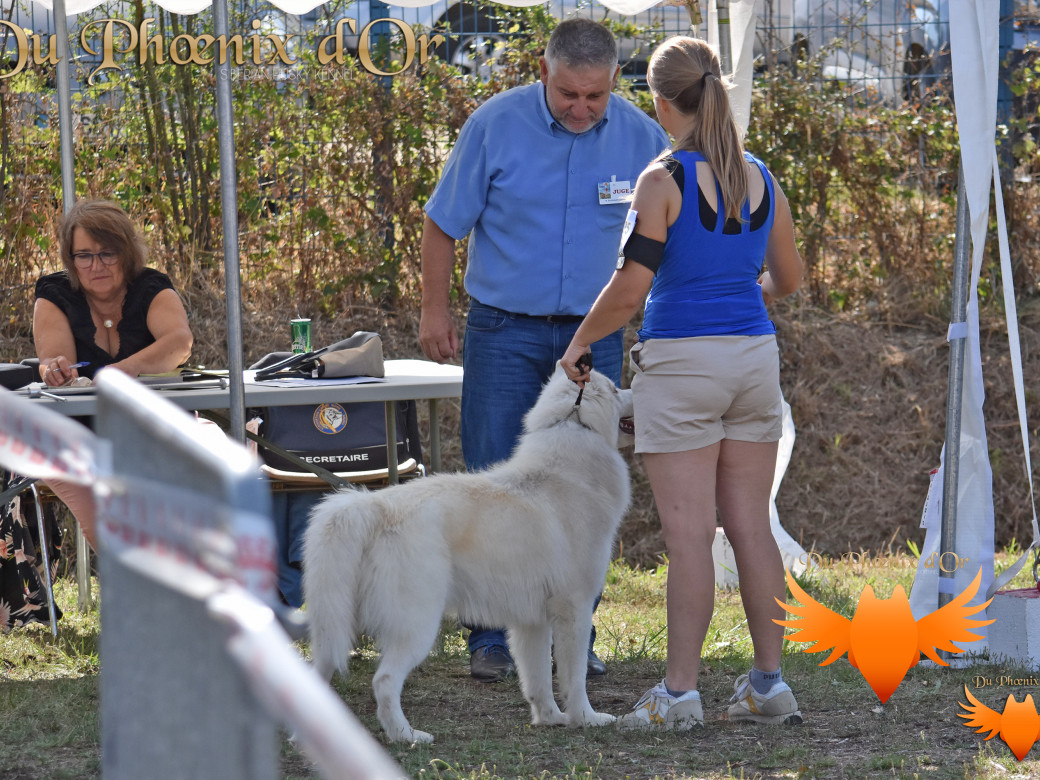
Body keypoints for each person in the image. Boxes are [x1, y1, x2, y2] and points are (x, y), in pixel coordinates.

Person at [560, 36, 804, 730]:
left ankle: (679, 695)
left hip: (683, 363)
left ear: (664, 104)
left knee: (690, 536)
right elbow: (788, 279)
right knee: (750, 527)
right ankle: (767, 682)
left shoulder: (662, 180)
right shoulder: (761, 177)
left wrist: (580, 343)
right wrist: (740, 288)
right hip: (755, 358)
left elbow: (629, 285)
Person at [420, 18, 669, 682]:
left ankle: (573, 638)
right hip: (504, 331)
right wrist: (434, 310)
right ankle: (491, 639)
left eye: (595, 96)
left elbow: (665, 245)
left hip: (596, 339)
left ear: (617, 79)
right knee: (496, 482)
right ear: (543, 72)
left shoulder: (646, 139)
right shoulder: (493, 125)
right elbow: (443, 224)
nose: (582, 108)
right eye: (568, 95)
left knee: (584, 491)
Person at [32, 198, 194, 548]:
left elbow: (180, 342)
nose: (96, 265)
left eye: (108, 253)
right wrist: (54, 370)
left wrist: (127, 368)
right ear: (70, 259)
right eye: (84, 255)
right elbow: (54, 359)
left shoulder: (152, 287)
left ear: (127, 252)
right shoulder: (53, 294)